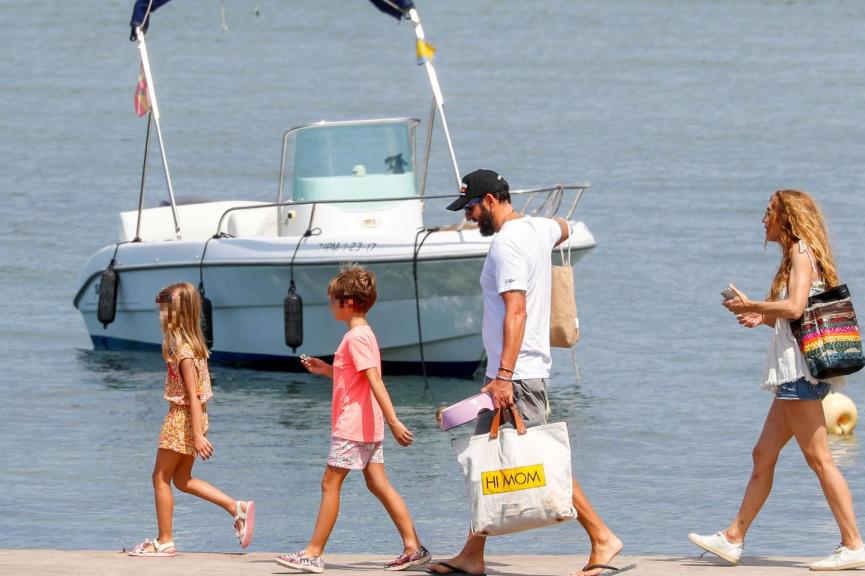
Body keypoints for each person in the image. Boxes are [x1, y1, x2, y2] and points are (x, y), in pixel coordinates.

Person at [429, 170, 623, 576]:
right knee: (487, 459)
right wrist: (553, 232)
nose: (468, 216)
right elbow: (565, 228)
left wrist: (502, 374)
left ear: (492, 201)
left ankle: (602, 536)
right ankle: (472, 555)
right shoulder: (537, 228)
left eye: (471, 207)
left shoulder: (506, 245)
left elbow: (516, 310)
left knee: (538, 458)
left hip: (517, 374)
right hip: (518, 370)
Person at [688, 189, 865, 571]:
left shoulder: (801, 251)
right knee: (763, 455)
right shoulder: (797, 255)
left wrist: (753, 304)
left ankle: (853, 545)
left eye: (769, 212)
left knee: (820, 460)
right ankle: (733, 538)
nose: (763, 218)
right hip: (793, 376)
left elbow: (796, 306)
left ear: (786, 218)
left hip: (799, 376)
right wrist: (762, 318)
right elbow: (792, 317)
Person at [276, 265, 429, 574]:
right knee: (378, 483)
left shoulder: (355, 338)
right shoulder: (364, 335)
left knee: (330, 482)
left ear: (348, 302)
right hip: (368, 424)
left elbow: (375, 381)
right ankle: (413, 547)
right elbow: (357, 378)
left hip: (353, 426)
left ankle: (313, 553)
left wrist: (395, 420)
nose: (330, 304)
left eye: (333, 299)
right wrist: (328, 370)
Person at [128, 282, 255, 557]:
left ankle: (165, 541)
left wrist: (197, 435)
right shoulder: (194, 348)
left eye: (165, 311)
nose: (161, 317)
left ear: (178, 315)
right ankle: (236, 508)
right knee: (182, 479)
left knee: (160, 478)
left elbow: (193, 397)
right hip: (193, 419)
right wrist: (199, 430)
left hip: (182, 418)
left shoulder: (183, 352)